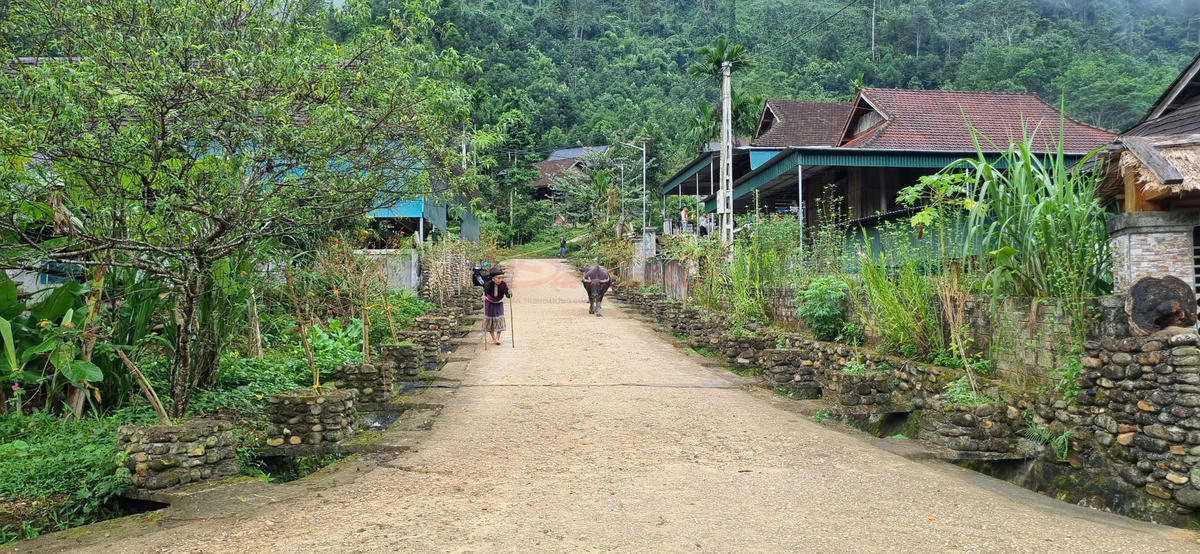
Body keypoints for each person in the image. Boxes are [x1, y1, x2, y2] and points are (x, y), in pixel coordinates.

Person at [482, 268, 511, 345]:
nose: (500, 280)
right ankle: (494, 338)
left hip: (499, 303)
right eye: (498, 278)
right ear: (493, 278)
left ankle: (497, 338)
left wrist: (509, 293)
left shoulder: (503, 284)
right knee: (489, 320)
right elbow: (485, 294)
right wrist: (484, 297)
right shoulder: (488, 284)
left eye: (502, 278)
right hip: (489, 303)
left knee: (499, 319)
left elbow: (508, 295)